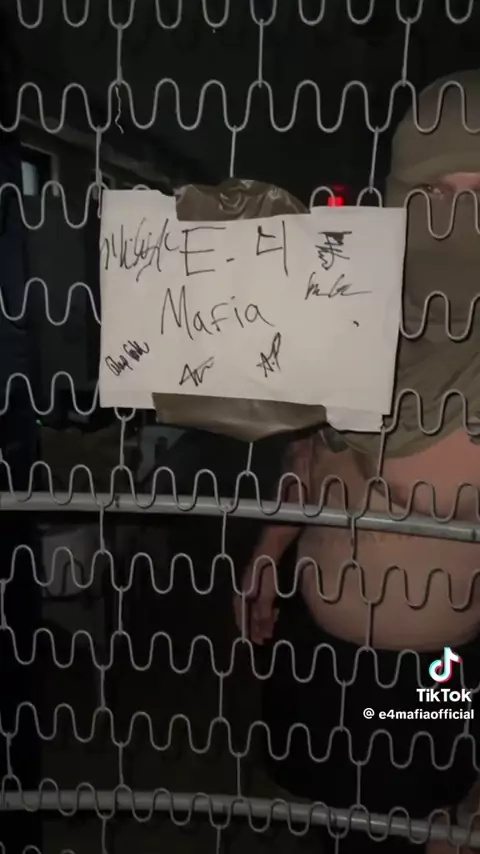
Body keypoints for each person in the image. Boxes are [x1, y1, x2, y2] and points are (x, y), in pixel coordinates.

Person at [234, 69, 480, 854]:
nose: (454, 221)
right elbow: (310, 453)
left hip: (432, 678)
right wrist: (271, 549)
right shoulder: (357, 306)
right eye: (433, 193)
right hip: (320, 656)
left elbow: (440, 489)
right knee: (324, 828)